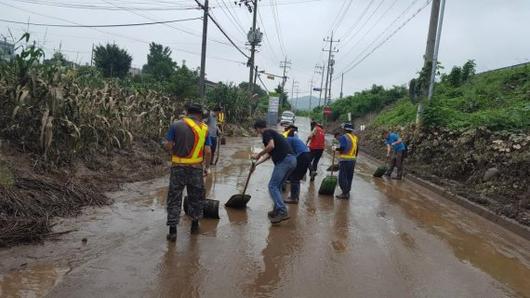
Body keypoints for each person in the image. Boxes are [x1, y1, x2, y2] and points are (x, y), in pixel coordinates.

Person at [162, 103, 211, 241]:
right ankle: (194, 227)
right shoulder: (204, 129)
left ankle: (172, 232)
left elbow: (169, 146)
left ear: (187, 112)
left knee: (174, 198)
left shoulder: (176, 125)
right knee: (196, 198)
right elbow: (208, 151)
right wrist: (207, 167)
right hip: (196, 169)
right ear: (200, 114)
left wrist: (164, 144)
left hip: (178, 168)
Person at [252, 119, 297, 223]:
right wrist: (256, 164)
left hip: (285, 161)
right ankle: (277, 209)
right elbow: (269, 154)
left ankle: (282, 211)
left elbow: (270, 146)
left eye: (256, 130)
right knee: (278, 186)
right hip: (292, 161)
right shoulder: (273, 133)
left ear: (258, 128)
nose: (257, 132)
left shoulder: (266, 133)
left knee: (272, 186)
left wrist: (258, 154)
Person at [284, 125, 311, 204]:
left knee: (294, 178)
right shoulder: (295, 139)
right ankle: (295, 197)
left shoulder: (288, 139)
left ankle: (294, 198)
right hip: (307, 155)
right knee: (296, 178)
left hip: (302, 157)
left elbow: (289, 152)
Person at [334, 123, 359, 199]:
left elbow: (342, 148)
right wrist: (354, 157)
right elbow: (357, 149)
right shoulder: (355, 138)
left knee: (342, 177)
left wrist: (335, 148)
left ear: (345, 129)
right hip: (352, 160)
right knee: (349, 177)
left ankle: (344, 193)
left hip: (345, 160)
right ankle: (347, 192)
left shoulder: (344, 137)